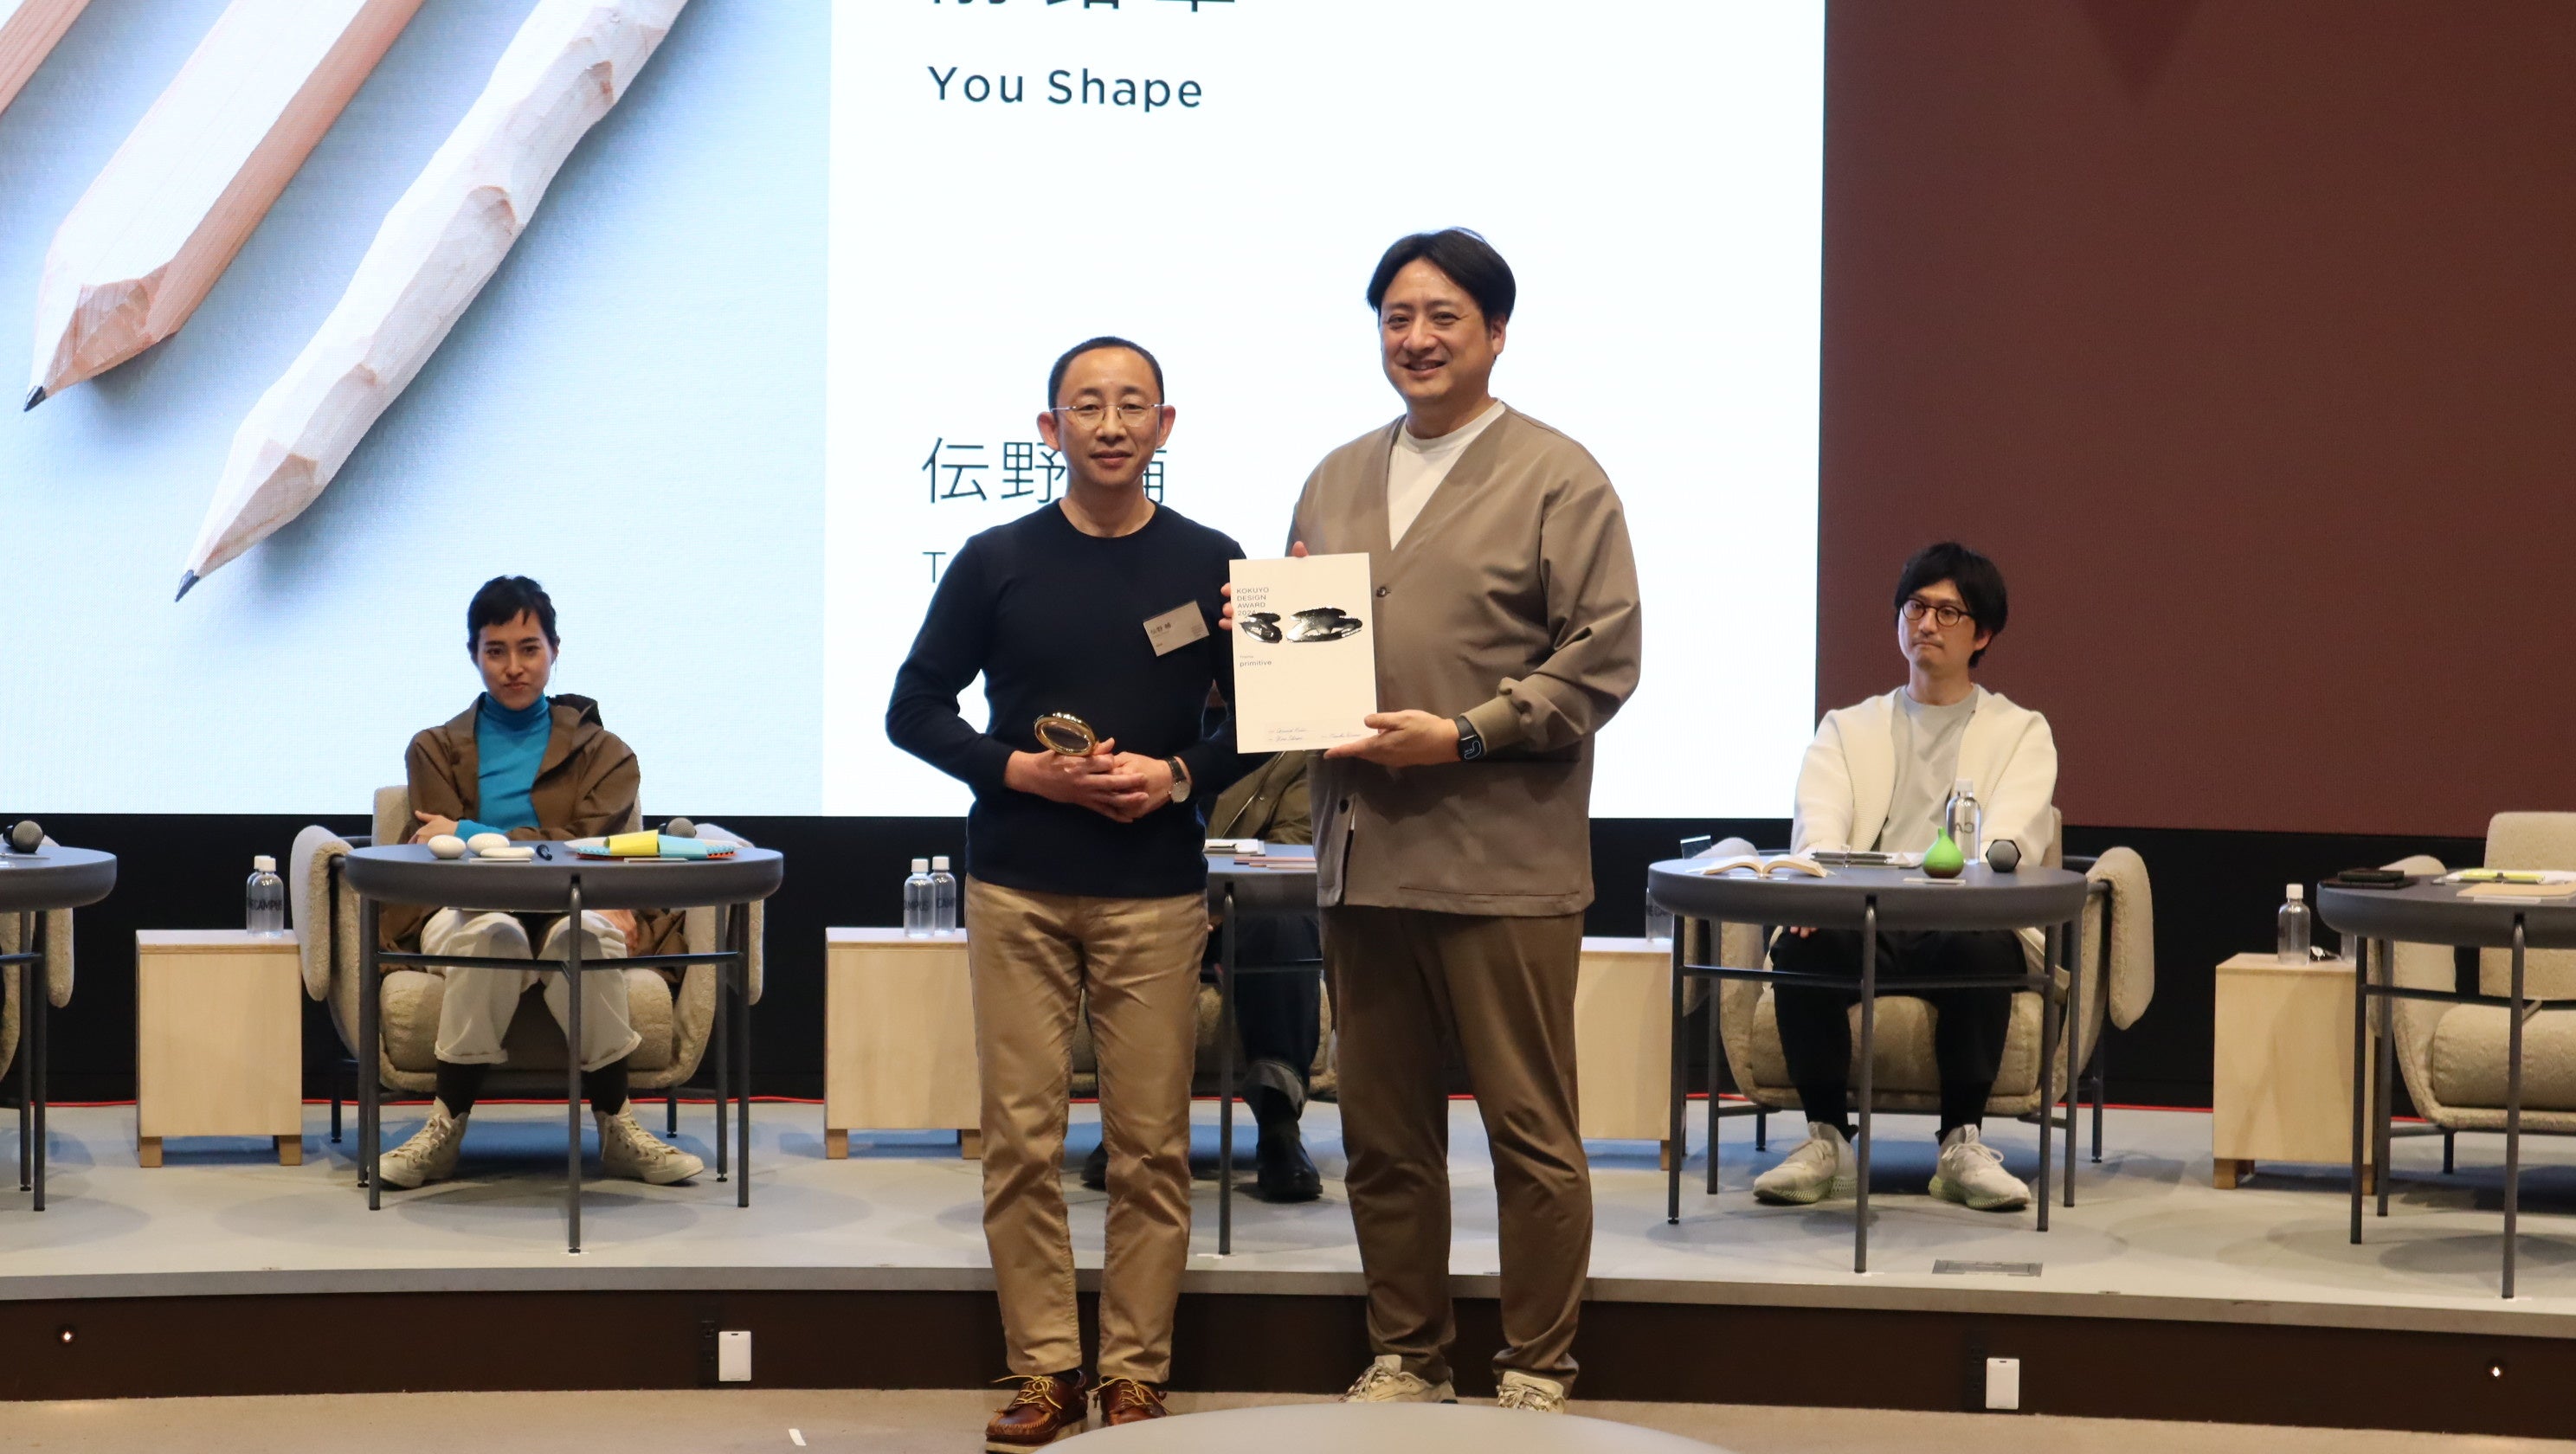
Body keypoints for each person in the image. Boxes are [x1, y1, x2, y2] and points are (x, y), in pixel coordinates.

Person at [1229, 230, 1641, 1414]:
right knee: (1381, 1133)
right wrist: (1254, 632)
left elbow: (1602, 658)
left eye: (1444, 316)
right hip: (1364, 856)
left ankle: (1536, 1363)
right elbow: (1303, 662)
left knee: (1529, 1131)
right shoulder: (1335, 476)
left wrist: (1464, 734)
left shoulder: (1560, 476)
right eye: (1397, 317)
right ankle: (1407, 1352)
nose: (1416, 338)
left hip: (1503, 859)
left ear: (1496, 333)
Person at [887, 338, 1251, 1449]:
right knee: (1021, 1142)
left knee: (1151, 1149)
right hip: (1020, 888)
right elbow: (914, 708)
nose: (1110, 423)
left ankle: (1135, 1374)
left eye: (1131, 404)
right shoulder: (995, 559)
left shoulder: (1214, 562)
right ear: (1049, 430)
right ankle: (1045, 1368)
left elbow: (1264, 722)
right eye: (1086, 406)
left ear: (1164, 426)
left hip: (1156, 891)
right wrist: (1019, 770)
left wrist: (1179, 774)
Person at [1753, 542, 2058, 1213]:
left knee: (1985, 948)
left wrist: (1984, 866)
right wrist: (1819, 893)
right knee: (1803, 943)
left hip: (1958, 920)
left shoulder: (2020, 730)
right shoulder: (1847, 727)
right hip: (1866, 916)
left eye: (1949, 612)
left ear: (1982, 634)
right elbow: (1819, 827)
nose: (1927, 624)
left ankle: (1961, 1146)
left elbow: (2012, 836)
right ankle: (1827, 1142)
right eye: (1916, 607)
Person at [375, 576, 705, 1190]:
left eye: (529, 649)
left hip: (574, 903)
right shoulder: (434, 748)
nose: (513, 667)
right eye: (495, 650)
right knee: (495, 934)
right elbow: (450, 858)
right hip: (467, 908)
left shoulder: (606, 753)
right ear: (473, 655)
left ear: (554, 650)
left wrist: (472, 830)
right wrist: (511, 843)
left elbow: (581, 850)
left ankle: (619, 1129)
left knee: (582, 938)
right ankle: (443, 1131)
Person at [1081, 749, 1324, 1203]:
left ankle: (1279, 1129)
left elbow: (1291, 847)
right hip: (1156, 897)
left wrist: (1216, 901)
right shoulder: (1152, 735)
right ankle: (1127, 1129)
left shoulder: (1288, 750)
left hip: (1246, 908)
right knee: (1121, 919)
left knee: (1285, 924)